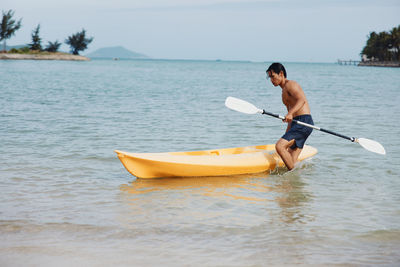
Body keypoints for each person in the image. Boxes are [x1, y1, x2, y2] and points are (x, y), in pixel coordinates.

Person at [266, 63, 313, 170]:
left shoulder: (291, 84)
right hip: (297, 123)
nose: (271, 80)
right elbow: (290, 117)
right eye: (270, 78)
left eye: (273, 76)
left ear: (281, 73)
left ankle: (293, 175)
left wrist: (290, 113)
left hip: (304, 121)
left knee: (280, 146)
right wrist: (287, 132)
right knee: (291, 160)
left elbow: (301, 100)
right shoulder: (283, 92)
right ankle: (293, 183)